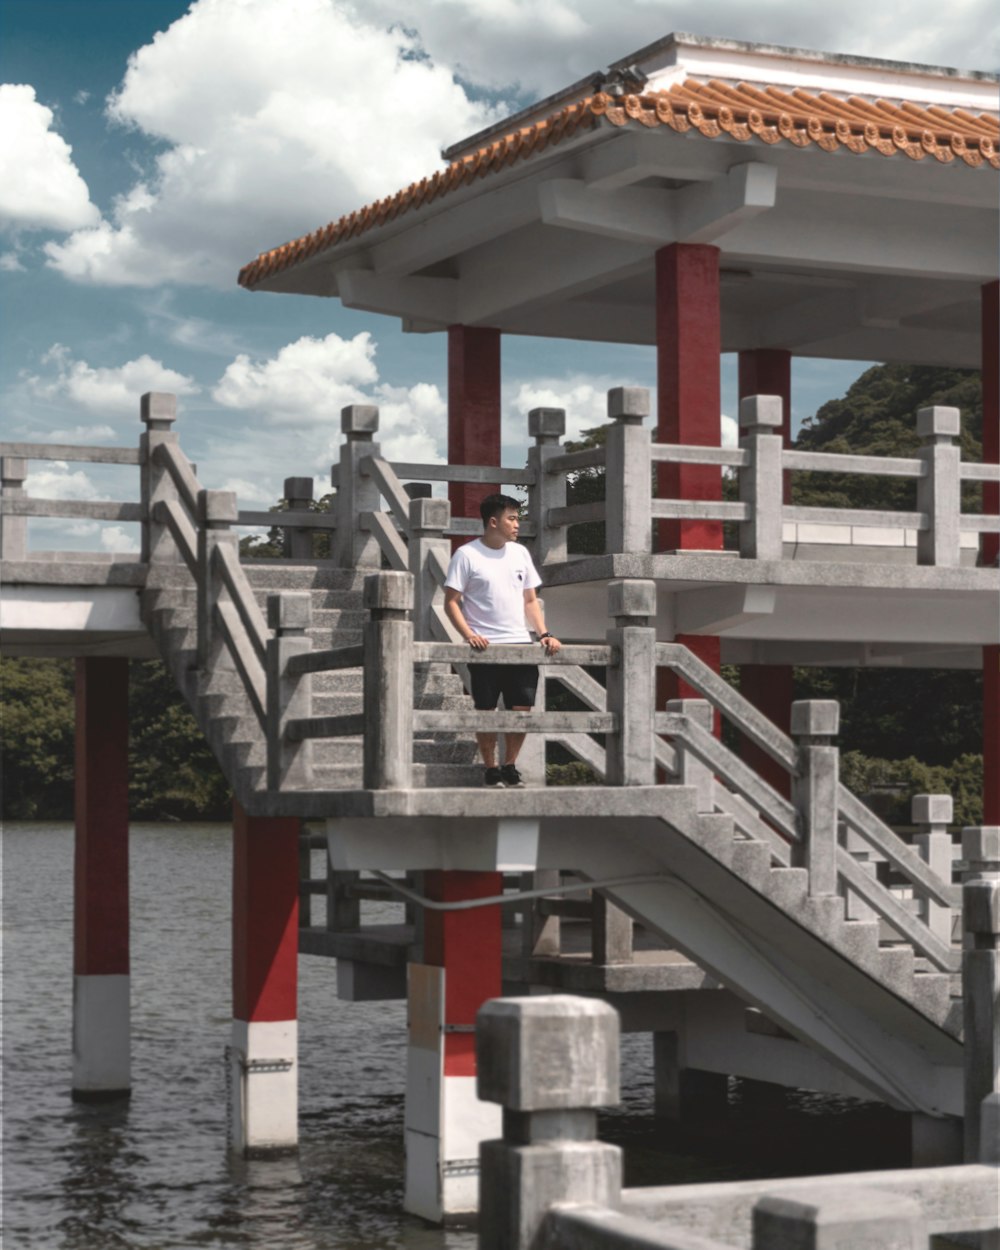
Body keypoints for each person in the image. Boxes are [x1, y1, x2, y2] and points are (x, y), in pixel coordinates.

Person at [444, 493, 561, 787]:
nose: (516, 524)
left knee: (521, 710)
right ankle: (490, 767)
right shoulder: (466, 555)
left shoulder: (520, 553)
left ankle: (510, 765)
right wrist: (469, 635)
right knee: (486, 710)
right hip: (485, 646)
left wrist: (544, 634)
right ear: (493, 521)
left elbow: (530, 600)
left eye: (517, 519)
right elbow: (451, 602)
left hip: (520, 644)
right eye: (511, 518)